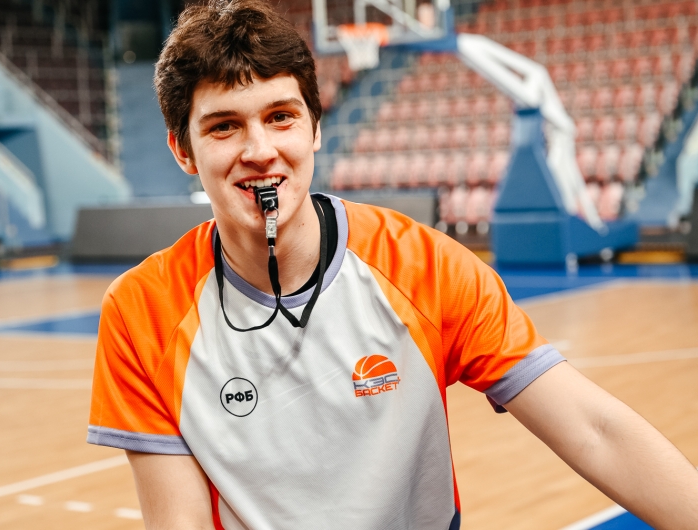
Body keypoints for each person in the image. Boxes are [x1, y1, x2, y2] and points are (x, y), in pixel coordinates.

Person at [87, 1, 698, 528]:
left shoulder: (426, 268)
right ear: (183, 149)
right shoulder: (141, 312)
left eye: (280, 116)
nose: (260, 150)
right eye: (224, 127)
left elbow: (595, 430)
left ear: (315, 127)